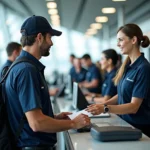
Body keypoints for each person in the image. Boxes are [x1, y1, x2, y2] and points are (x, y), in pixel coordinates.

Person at [4, 15, 90, 150]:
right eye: (50, 37)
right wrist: (74, 123)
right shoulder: (27, 70)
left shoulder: (19, 67)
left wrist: (54, 117)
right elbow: (36, 123)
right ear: (39, 37)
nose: (51, 43)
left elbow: (26, 116)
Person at [86, 23, 150, 137]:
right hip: (125, 123)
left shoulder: (143, 68)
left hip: (141, 130)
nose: (118, 44)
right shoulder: (127, 66)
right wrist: (101, 105)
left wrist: (105, 108)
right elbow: (120, 94)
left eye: (121, 40)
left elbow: (134, 106)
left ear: (133, 40)